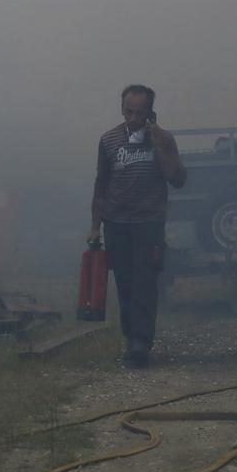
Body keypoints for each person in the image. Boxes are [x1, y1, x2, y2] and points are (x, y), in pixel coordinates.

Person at [89, 84, 187, 368]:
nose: (132, 118)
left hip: (149, 224)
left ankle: (141, 343)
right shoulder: (108, 140)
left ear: (150, 112)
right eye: (128, 111)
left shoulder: (163, 139)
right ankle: (130, 338)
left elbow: (178, 179)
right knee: (125, 285)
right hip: (117, 223)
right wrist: (95, 226)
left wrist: (158, 143)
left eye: (139, 113)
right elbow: (101, 185)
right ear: (122, 109)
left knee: (145, 283)